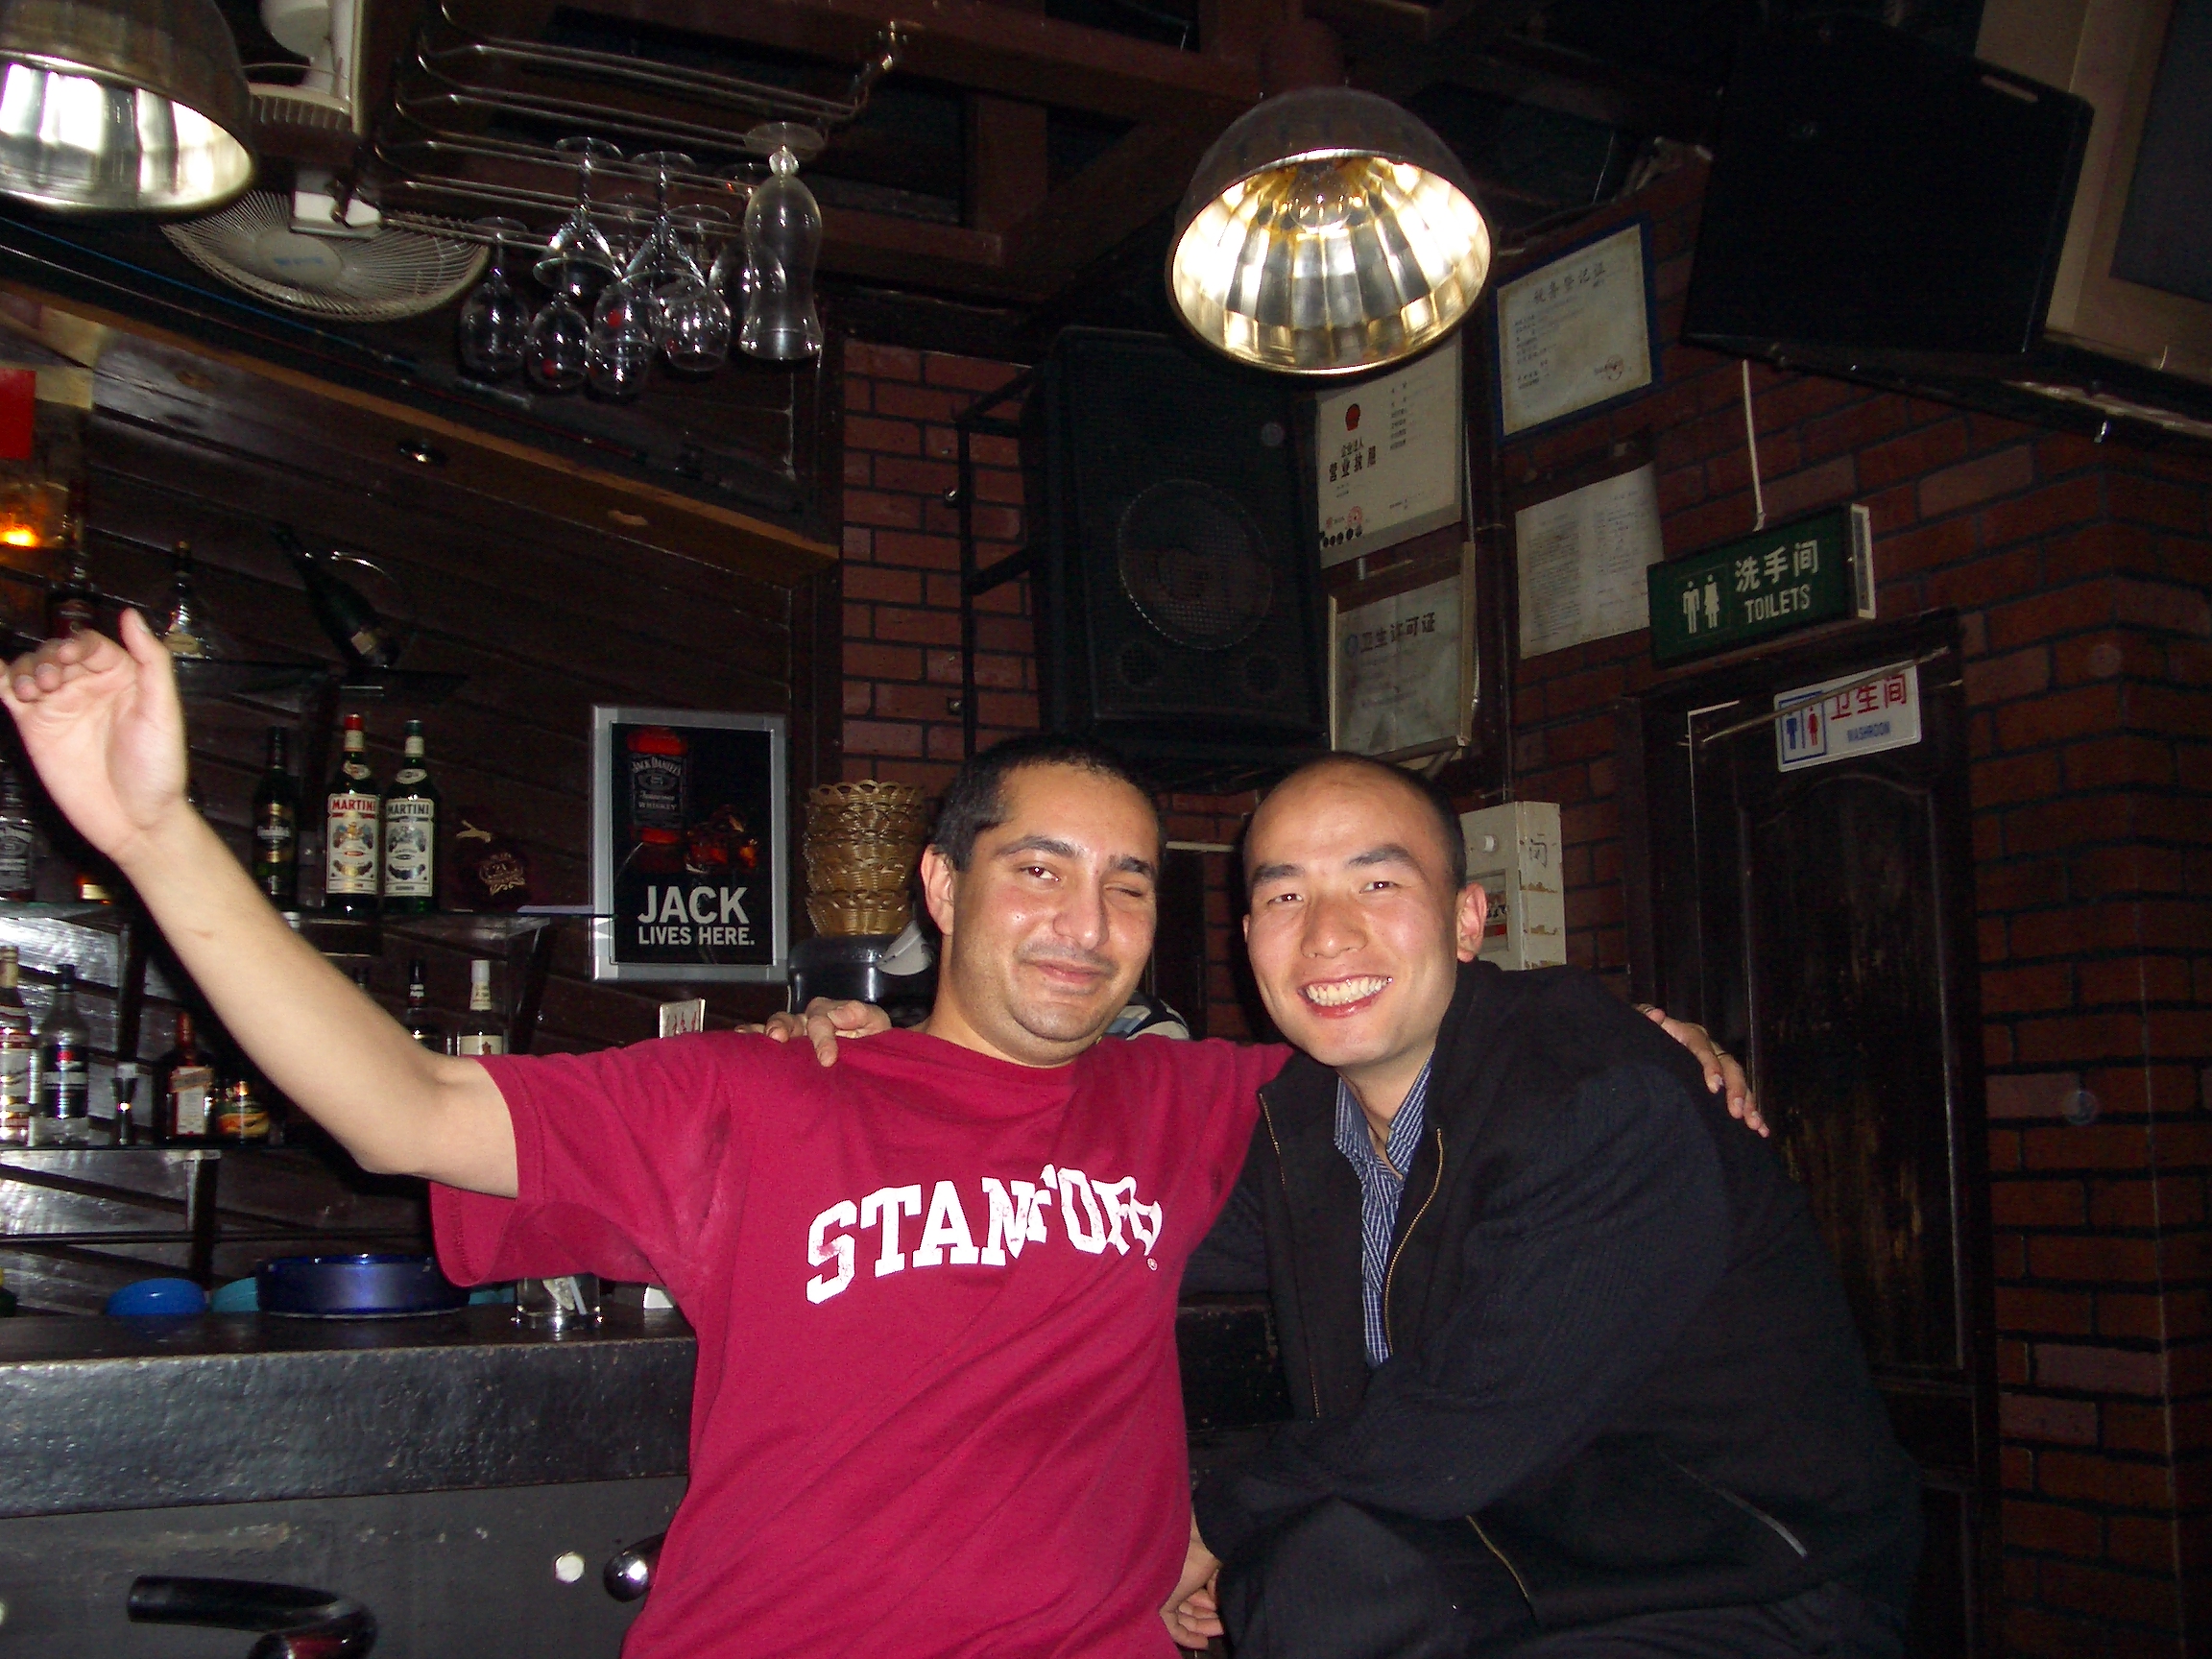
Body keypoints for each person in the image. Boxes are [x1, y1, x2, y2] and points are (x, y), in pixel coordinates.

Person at [1, 615, 1751, 1657]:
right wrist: (155, 838)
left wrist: (1606, 1025)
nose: (1084, 923)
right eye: (1036, 871)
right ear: (939, 888)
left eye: (1129, 884)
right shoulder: (760, 1092)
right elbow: (402, 1105)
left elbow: (1398, 1021)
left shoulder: (1203, 1101)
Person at [1162, 755, 1921, 1658]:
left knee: (1300, 1570)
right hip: (1522, 1544)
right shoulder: (1302, 1128)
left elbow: (1467, 1425)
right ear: (1250, 937)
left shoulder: (1597, 1098)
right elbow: (1133, 1259)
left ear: (1465, 921)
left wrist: (1210, 1525)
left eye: (1377, 882)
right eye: (1286, 896)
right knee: (1304, 1586)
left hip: (1748, 1577)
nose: (1327, 935)